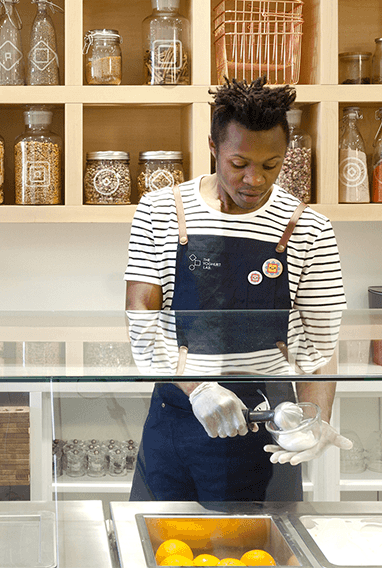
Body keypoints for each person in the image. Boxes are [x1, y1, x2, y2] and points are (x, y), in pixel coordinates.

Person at [125, 78, 350, 502]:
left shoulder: (311, 228)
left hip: (270, 423)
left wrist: (313, 419)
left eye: (271, 165)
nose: (254, 179)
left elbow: (321, 349)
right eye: (239, 162)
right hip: (179, 415)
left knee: (260, 556)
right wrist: (200, 388)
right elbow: (141, 314)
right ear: (213, 147)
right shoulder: (159, 210)